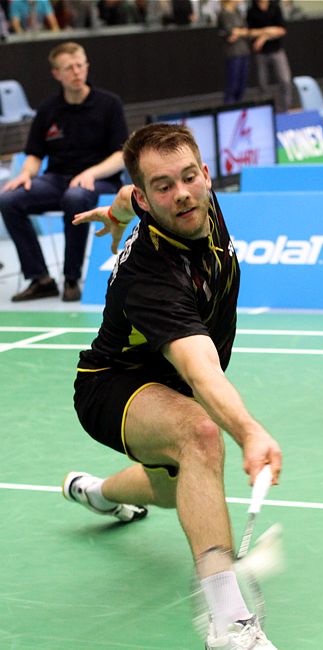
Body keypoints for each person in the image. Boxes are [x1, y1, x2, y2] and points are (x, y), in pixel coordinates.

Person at [62, 123, 282, 649]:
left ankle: (97, 493)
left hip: (165, 384)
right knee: (201, 436)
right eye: (162, 187)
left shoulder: (194, 204)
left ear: (206, 175)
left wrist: (114, 214)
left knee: (172, 485)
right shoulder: (150, 275)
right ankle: (228, 624)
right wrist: (249, 432)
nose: (180, 193)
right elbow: (201, 371)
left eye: (189, 177)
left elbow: (124, 193)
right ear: (147, 197)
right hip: (113, 384)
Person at [0, 42, 127, 302]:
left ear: (87, 66)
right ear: (56, 74)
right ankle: (41, 278)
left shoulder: (109, 104)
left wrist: (92, 173)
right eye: (69, 68)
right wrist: (26, 173)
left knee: (75, 198)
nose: (77, 72)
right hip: (57, 179)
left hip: (100, 181)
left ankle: (71, 277)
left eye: (80, 65)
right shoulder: (48, 110)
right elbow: (35, 154)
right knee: (8, 200)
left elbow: (121, 155)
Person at [246, 0, 292, 113]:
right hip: (260, 53)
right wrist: (269, 31)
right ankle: (266, 111)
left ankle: (285, 109)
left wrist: (263, 37)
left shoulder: (275, 7)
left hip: (277, 50)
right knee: (262, 83)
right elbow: (249, 32)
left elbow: (281, 30)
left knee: (285, 80)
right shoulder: (251, 10)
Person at [218, 0, 251, 104]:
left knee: (242, 85)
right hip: (233, 53)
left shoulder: (238, 12)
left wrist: (239, 32)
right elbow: (230, 33)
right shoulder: (223, 14)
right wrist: (238, 32)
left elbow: (246, 31)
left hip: (244, 52)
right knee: (232, 84)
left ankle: (239, 107)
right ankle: (229, 109)